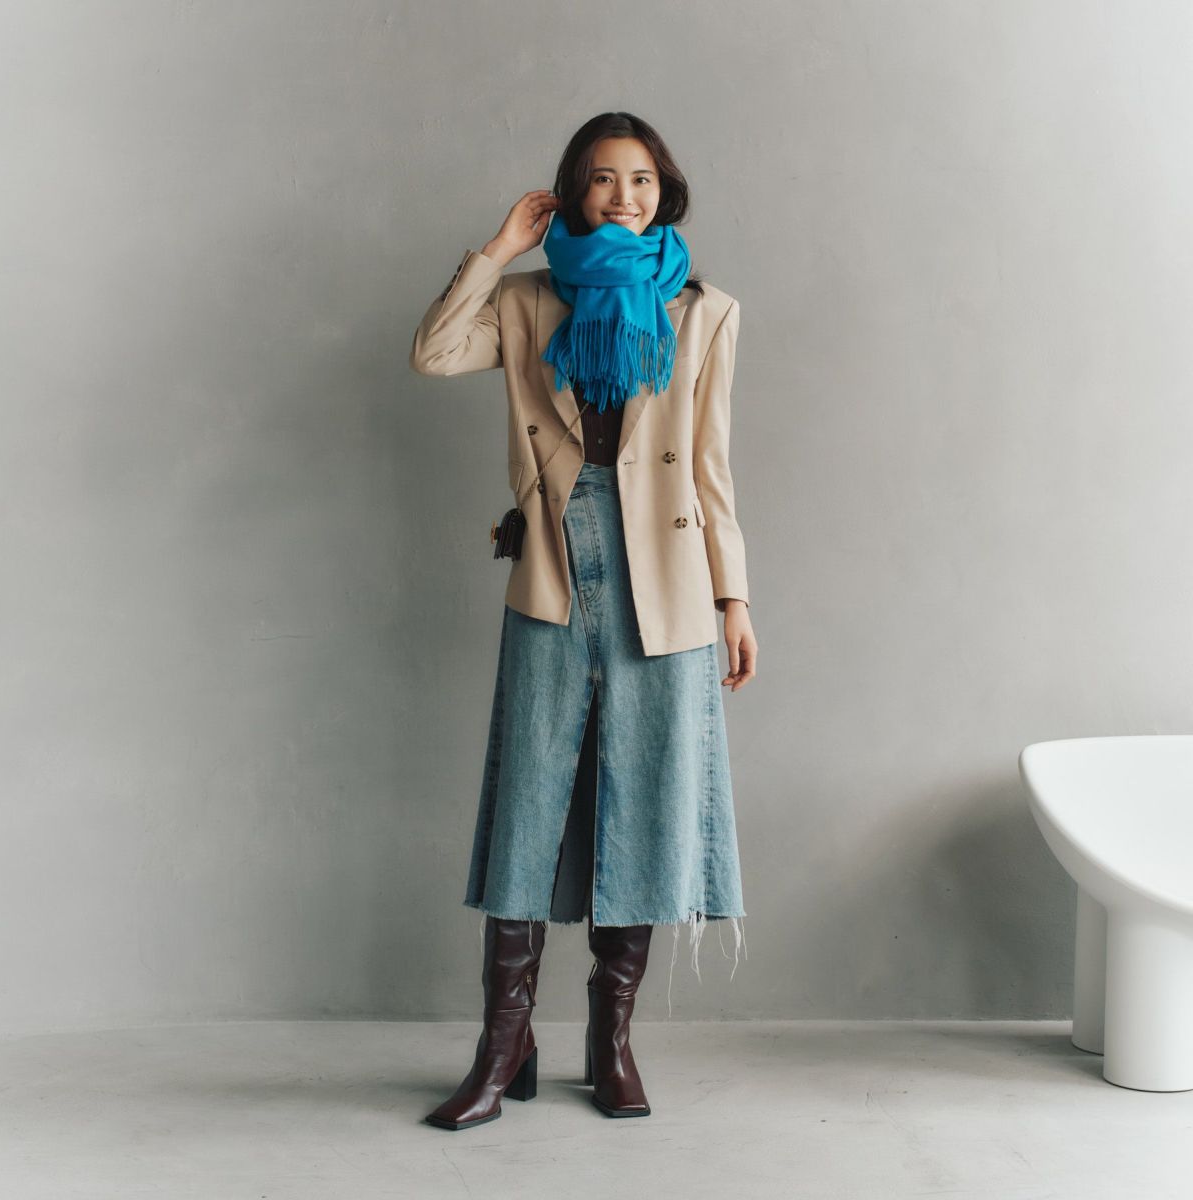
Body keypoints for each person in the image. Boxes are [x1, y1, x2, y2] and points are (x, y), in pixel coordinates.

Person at [409, 112, 758, 1131]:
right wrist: (497, 250)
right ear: (573, 191)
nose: (623, 197)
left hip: (670, 578)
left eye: (640, 180)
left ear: (664, 191)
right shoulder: (528, 300)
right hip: (558, 565)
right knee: (529, 800)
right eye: (603, 179)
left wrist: (735, 597)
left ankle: (612, 1044)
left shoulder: (705, 312)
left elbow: (711, 471)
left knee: (643, 797)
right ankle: (503, 1047)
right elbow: (434, 352)